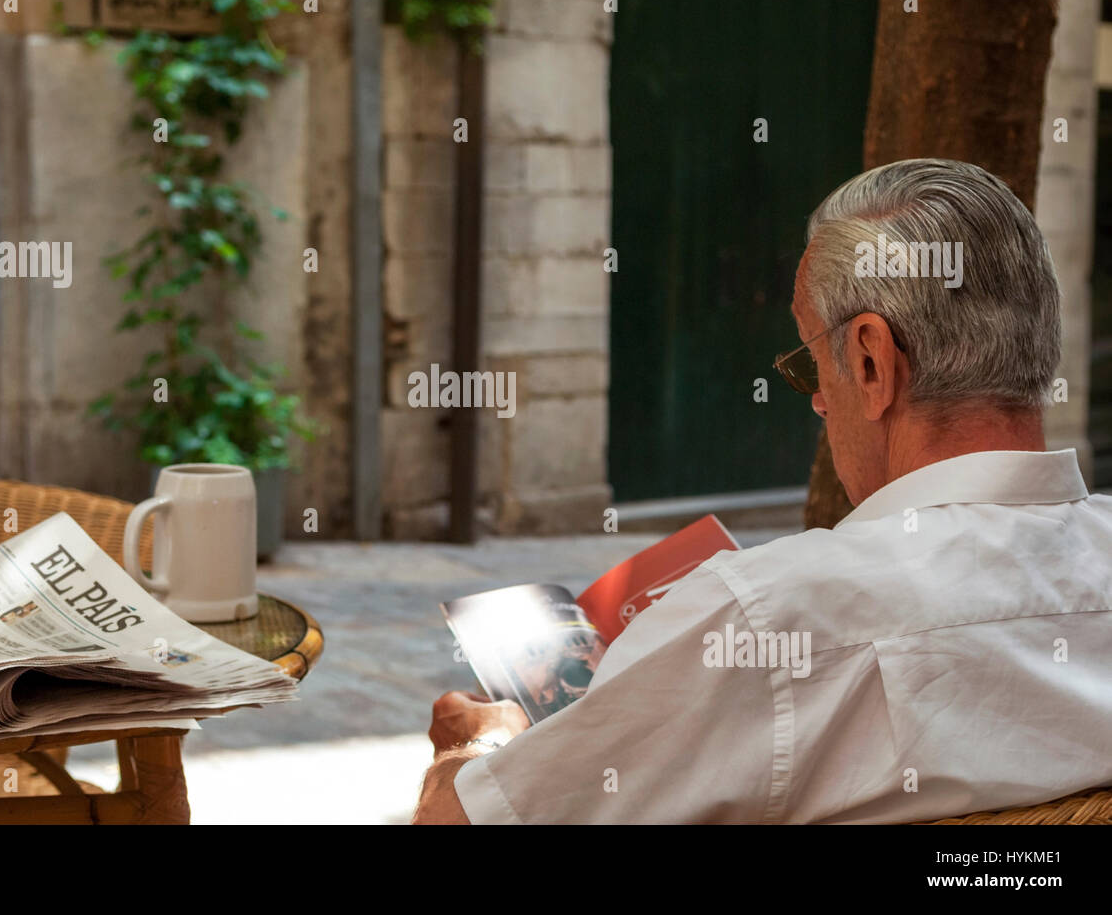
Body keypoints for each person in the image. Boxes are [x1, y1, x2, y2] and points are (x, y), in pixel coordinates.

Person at [413, 158, 1112, 824]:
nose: (816, 403)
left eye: (812, 364)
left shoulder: (773, 616)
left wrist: (474, 747)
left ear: (871, 360)